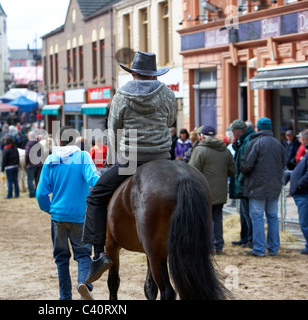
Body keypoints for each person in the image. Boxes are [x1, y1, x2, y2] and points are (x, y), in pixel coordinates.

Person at [82, 51, 177, 284]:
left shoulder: (121, 95)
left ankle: (98, 255)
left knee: (95, 197)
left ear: (133, 73)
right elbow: (170, 121)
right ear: (153, 74)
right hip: (163, 158)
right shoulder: (167, 93)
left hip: (131, 160)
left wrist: (120, 154)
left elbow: (114, 130)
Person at [36, 126, 100, 300]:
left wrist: (49, 209)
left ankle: (65, 298)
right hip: (80, 217)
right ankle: (83, 283)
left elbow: (41, 193)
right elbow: (95, 180)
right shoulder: (83, 157)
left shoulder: (50, 160)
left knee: (61, 259)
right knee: (84, 255)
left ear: (59, 141)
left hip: (58, 218)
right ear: (76, 140)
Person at [241, 117, 285, 257]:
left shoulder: (255, 142)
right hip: (274, 185)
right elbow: (283, 164)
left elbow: (246, 166)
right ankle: (273, 248)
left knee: (257, 216)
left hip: (257, 186)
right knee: (273, 217)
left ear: (258, 128)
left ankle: (259, 249)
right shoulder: (278, 143)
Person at [189, 125, 236, 254]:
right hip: (220, 191)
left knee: (207, 218)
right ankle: (219, 245)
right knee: (217, 218)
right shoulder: (225, 150)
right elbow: (232, 170)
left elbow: (192, 171)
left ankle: (210, 246)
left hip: (204, 191)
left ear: (202, 136)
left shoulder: (200, 150)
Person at [229, 119, 255, 248]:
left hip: (246, 183)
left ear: (239, 131)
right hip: (244, 182)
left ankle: (250, 239)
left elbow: (246, 162)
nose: (232, 135)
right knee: (244, 212)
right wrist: (235, 145)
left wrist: (239, 180)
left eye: (233, 132)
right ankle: (245, 237)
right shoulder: (244, 140)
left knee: (248, 212)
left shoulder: (248, 140)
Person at [289, 128, 308, 254]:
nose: (300, 140)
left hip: (303, 192)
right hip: (301, 192)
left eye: (301, 138)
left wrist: (300, 184)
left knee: (305, 223)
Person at [25, 130, 44, 198]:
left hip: (31, 165)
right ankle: (38, 193)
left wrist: (27, 164)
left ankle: (31, 193)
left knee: (30, 180)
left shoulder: (29, 144)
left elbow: (27, 155)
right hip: (39, 165)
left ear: (30, 136)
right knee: (37, 179)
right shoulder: (39, 144)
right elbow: (42, 154)